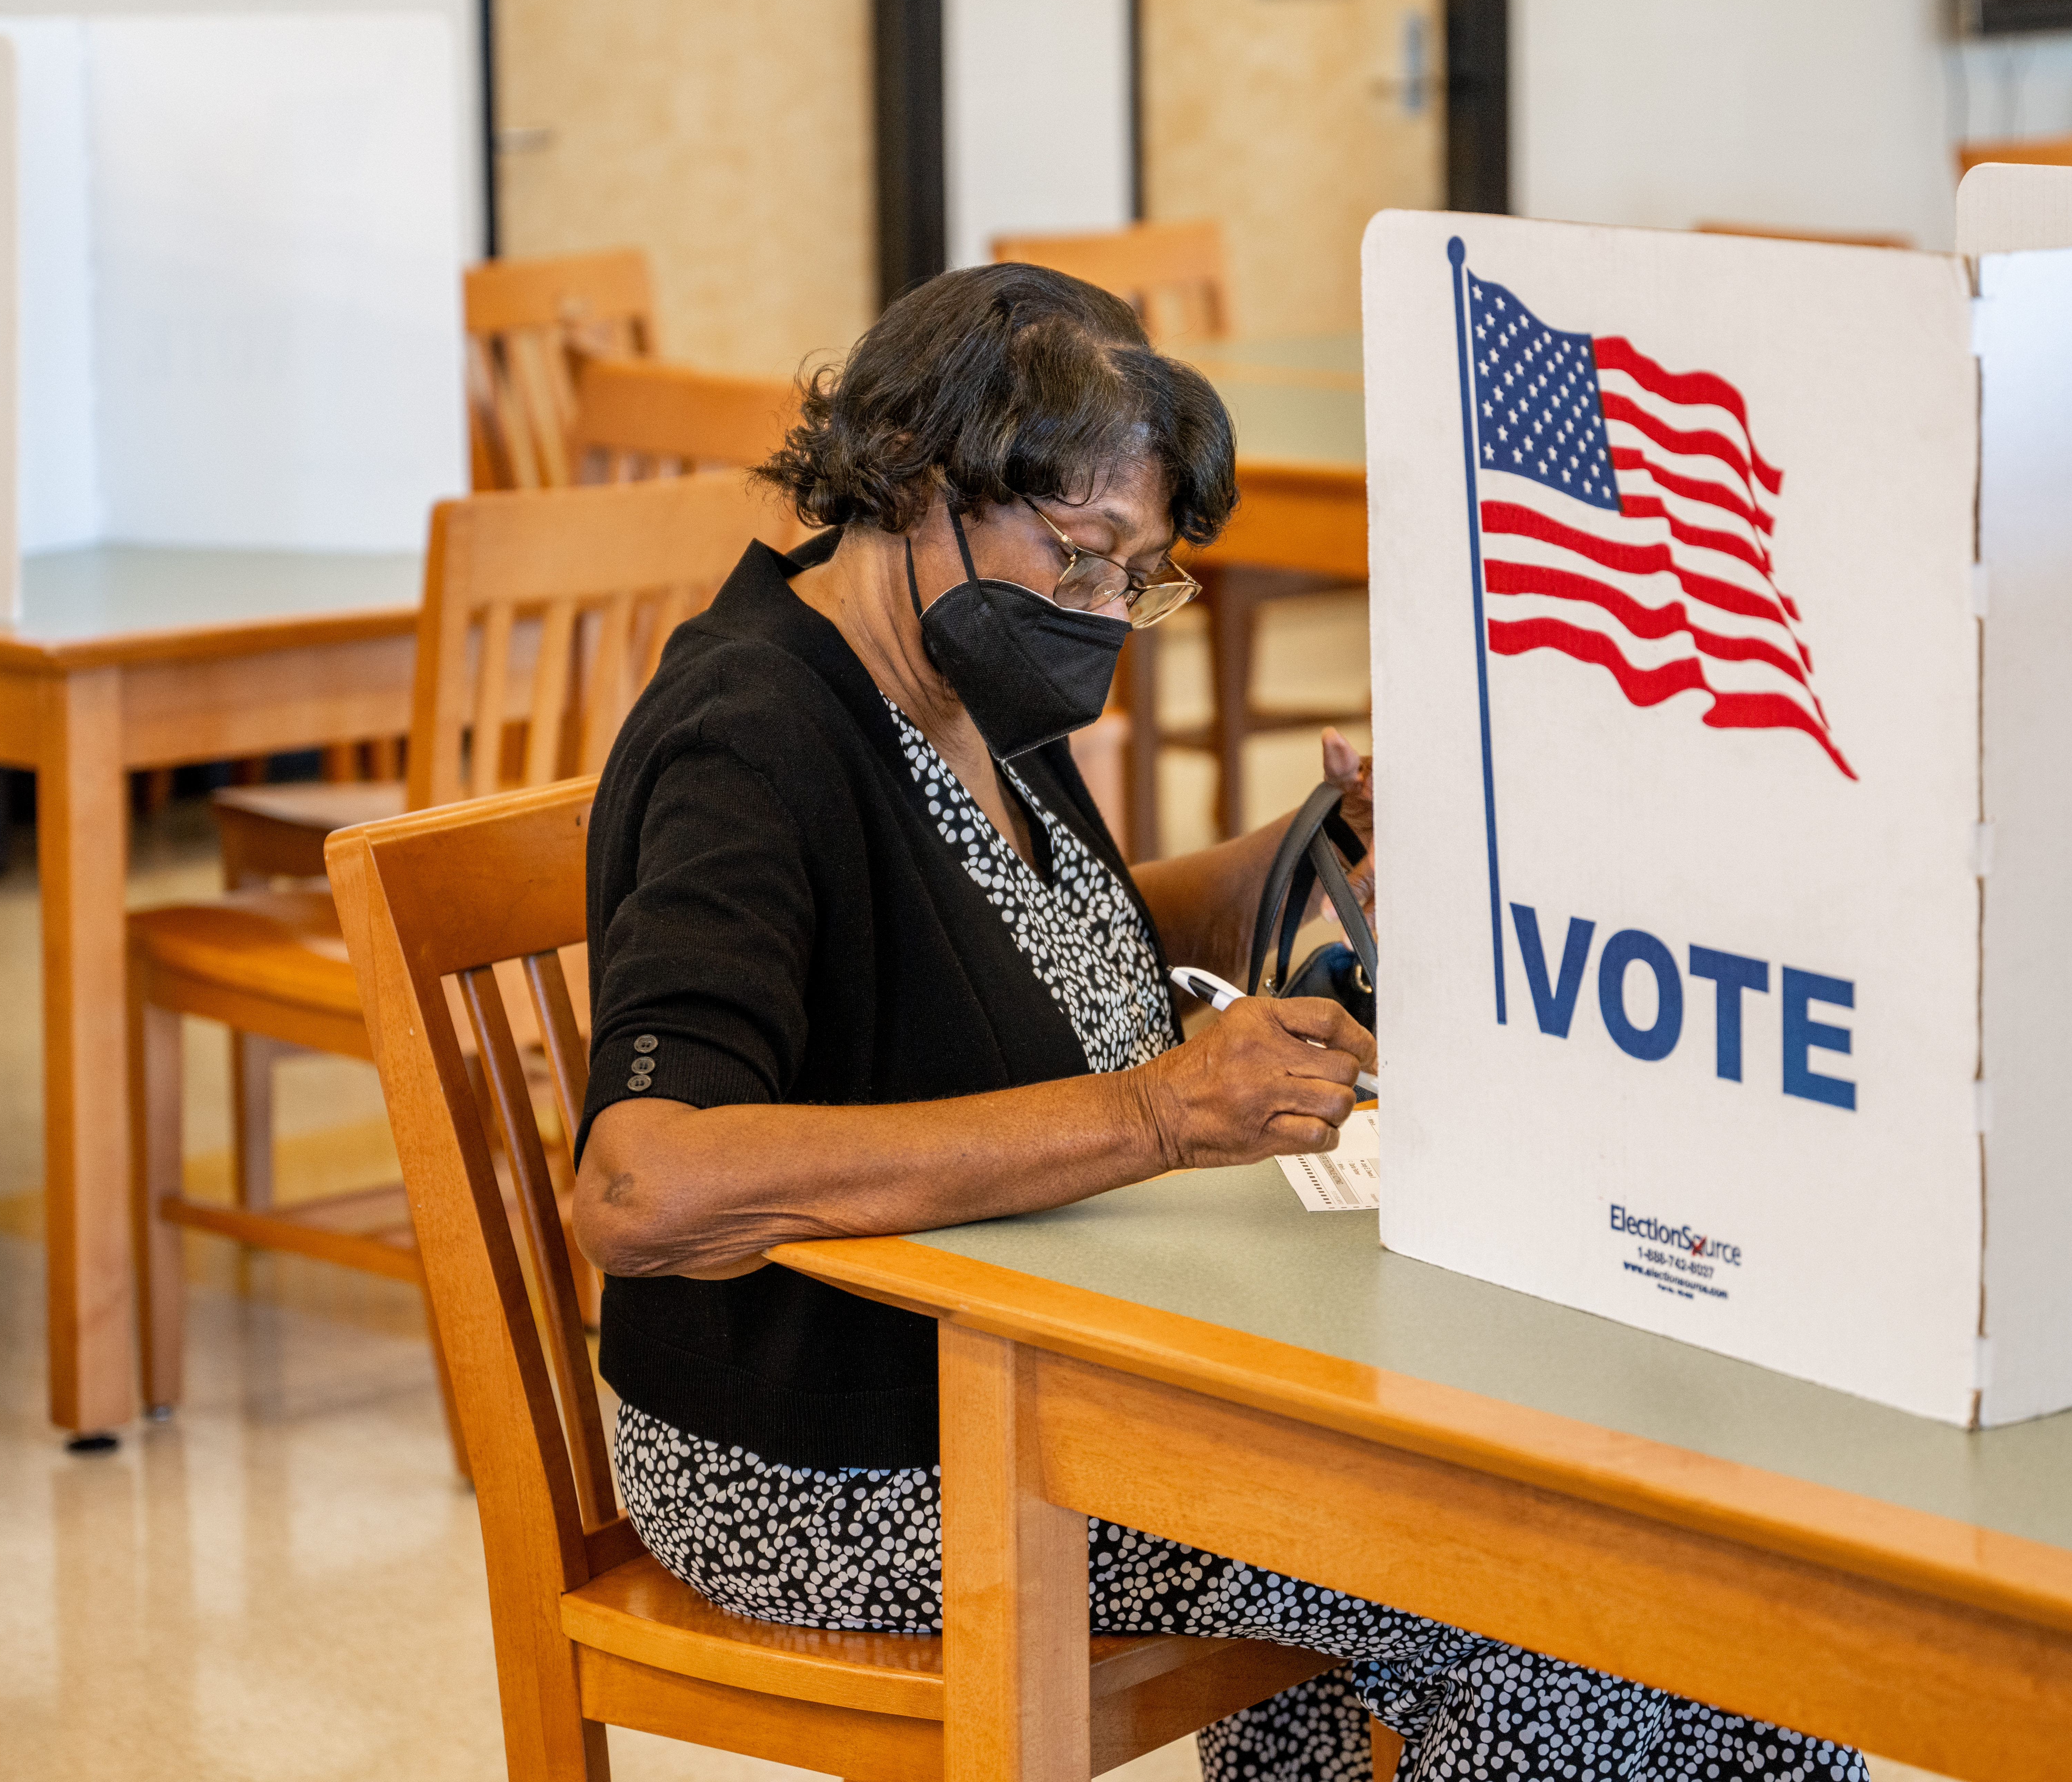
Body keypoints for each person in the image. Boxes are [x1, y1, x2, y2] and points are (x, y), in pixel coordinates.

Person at [571, 263, 1866, 1782]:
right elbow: (644, 1185)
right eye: (1081, 558)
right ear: (919, 479)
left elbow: (1040, 936)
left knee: (1640, 1524)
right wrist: (1162, 1112)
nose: (1106, 612)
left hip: (1057, 1369)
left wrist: (1304, 847)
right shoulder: (755, 731)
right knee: (1558, 1588)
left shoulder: (956, 666)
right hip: (831, 1451)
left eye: (1138, 575)